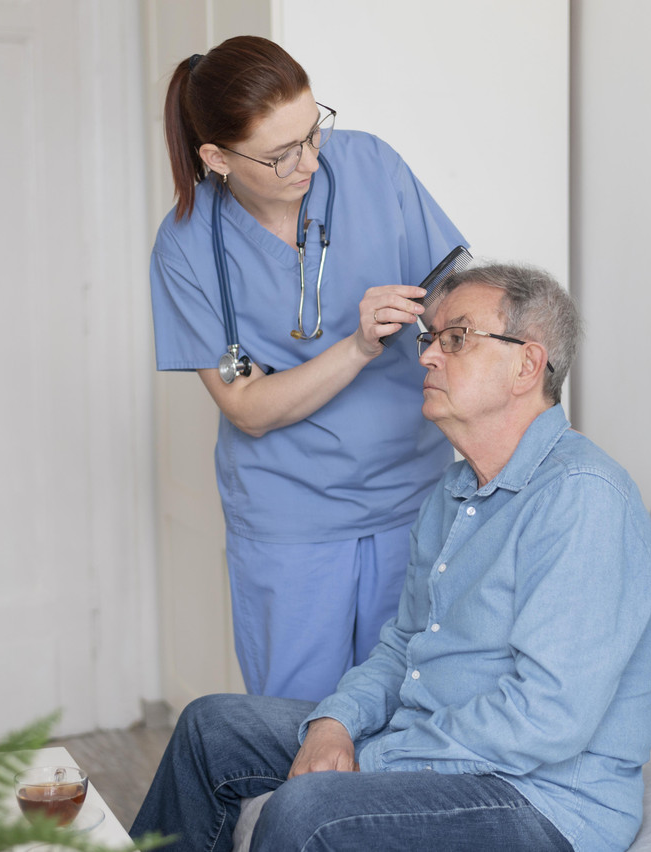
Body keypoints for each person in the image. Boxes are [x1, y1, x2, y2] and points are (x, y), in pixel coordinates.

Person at [131, 264, 651, 852]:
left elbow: (547, 719)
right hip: (433, 741)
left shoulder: (582, 497)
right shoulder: (455, 491)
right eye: (429, 337)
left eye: (457, 338)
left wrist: (374, 754)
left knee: (306, 809)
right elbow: (402, 647)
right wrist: (334, 723)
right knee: (211, 728)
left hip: (540, 799)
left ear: (527, 365)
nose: (428, 357)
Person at [152, 35, 468, 701]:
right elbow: (247, 408)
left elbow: (459, 296)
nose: (310, 162)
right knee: (299, 733)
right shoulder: (185, 247)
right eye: (280, 154)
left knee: (408, 719)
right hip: (291, 523)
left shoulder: (372, 167)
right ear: (216, 159)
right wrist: (356, 346)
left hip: (414, 497)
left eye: (313, 132)